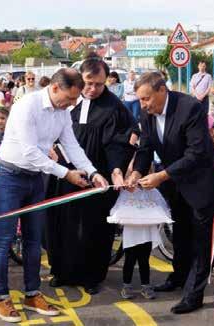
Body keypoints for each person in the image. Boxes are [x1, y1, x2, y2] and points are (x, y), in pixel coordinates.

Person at [0, 68, 108, 323]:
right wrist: (65, 174)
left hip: (35, 178)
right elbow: (30, 151)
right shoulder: (26, 106)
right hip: (9, 176)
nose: (72, 104)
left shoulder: (62, 112)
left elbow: (72, 145)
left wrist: (92, 171)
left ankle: (32, 294)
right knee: (4, 238)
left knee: (34, 239)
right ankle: (1, 298)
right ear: (55, 88)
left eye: (75, 101)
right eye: (70, 98)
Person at [125, 71, 214, 314]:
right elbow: (146, 147)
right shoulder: (147, 114)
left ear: (162, 90)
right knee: (180, 235)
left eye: (146, 98)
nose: (143, 104)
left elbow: (196, 153)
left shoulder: (190, 108)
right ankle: (178, 278)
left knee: (201, 241)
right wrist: (137, 172)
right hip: (175, 185)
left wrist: (161, 176)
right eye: (140, 99)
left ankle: (194, 294)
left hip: (201, 184)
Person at [46, 57, 134, 294]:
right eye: (88, 83)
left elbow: (121, 142)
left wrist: (116, 169)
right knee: (62, 222)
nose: (93, 89)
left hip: (98, 176)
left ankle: (92, 276)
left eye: (99, 84)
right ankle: (61, 271)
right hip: (65, 172)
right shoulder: (66, 102)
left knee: (93, 227)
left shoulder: (114, 107)